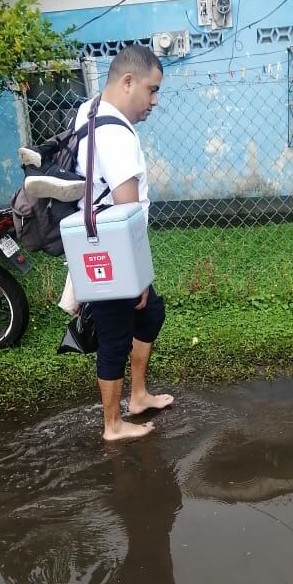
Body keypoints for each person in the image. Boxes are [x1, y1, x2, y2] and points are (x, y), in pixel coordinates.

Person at [72, 45, 172, 441]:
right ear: (127, 82)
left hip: (97, 245)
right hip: (111, 252)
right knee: (115, 334)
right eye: (151, 90)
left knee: (150, 316)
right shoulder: (117, 136)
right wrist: (137, 280)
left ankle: (139, 395)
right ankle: (113, 426)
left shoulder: (90, 109)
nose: (154, 101)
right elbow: (127, 213)